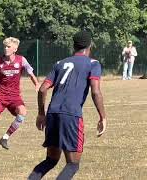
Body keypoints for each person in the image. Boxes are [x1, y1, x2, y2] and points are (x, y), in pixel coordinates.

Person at [28, 31, 107, 179]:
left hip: (52, 113)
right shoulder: (93, 64)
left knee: (51, 160)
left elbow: (43, 88)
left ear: (74, 45)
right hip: (71, 115)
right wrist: (103, 117)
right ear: (90, 46)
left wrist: (41, 113)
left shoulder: (60, 63)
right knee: (72, 164)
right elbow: (95, 92)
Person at [0, 37, 40, 151]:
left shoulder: (21, 60)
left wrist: (36, 84)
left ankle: (5, 138)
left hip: (14, 96)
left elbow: (30, 72)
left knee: (22, 112)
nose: (5, 48)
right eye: (5, 46)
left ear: (15, 49)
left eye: (8, 46)